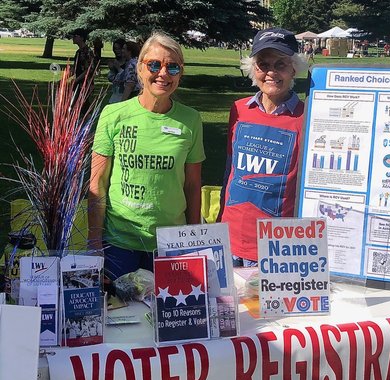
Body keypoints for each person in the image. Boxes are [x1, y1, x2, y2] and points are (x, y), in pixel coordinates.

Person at [88, 31, 205, 279]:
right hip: (119, 243)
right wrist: (94, 241)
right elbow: (97, 183)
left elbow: (193, 186)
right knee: (118, 312)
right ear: (140, 69)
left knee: (168, 315)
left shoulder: (191, 120)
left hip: (171, 244)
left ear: (180, 73)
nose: (163, 73)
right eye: (154, 64)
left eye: (173, 67)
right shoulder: (113, 115)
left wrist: (194, 239)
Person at [218, 27, 308, 268]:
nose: (271, 72)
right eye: (263, 64)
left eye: (280, 64)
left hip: (275, 249)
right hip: (229, 239)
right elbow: (230, 172)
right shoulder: (238, 110)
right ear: (252, 68)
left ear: (294, 69)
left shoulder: (307, 117)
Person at [70, 28, 95, 109]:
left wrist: (76, 80)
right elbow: (75, 68)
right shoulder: (78, 52)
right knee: (76, 107)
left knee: (83, 108)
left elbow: (89, 69)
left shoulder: (87, 52)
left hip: (85, 85)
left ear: (81, 38)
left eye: (75, 36)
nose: (73, 38)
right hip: (78, 85)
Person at [107, 38, 127, 104]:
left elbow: (127, 79)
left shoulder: (129, 62)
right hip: (116, 93)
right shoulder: (115, 61)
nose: (117, 51)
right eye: (115, 49)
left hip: (126, 94)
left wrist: (118, 68)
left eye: (119, 48)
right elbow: (112, 79)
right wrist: (112, 69)